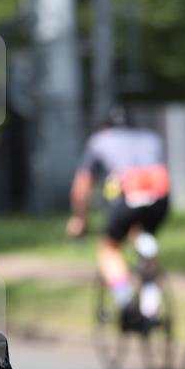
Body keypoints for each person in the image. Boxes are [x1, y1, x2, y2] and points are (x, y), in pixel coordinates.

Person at [66, 107, 170, 328]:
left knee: (109, 248)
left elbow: (82, 186)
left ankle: (125, 303)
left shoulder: (99, 140)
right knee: (144, 241)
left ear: (105, 127)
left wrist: (80, 220)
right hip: (161, 196)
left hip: (128, 195)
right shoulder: (150, 138)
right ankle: (151, 308)